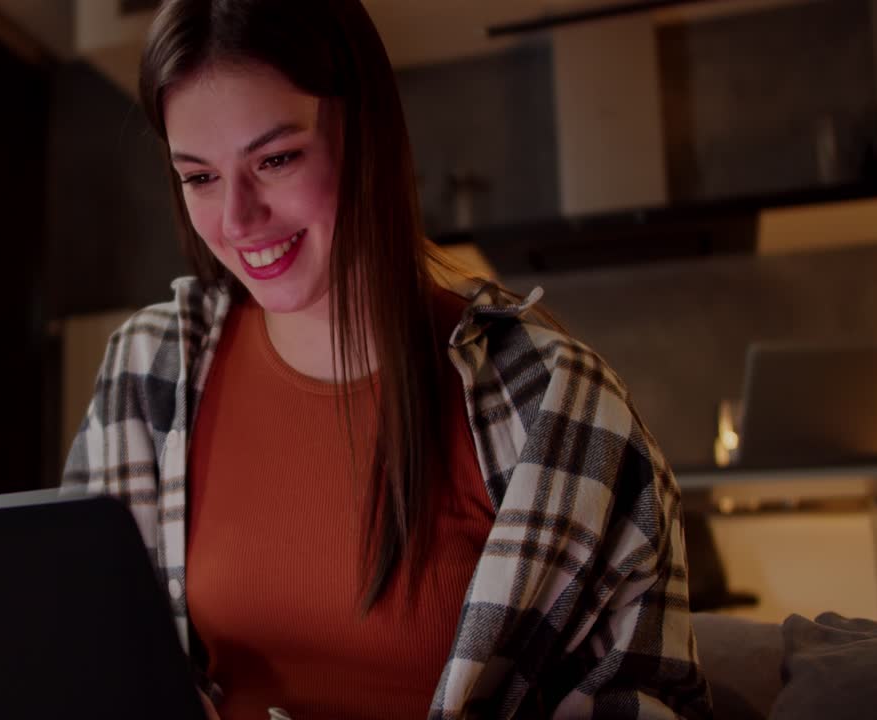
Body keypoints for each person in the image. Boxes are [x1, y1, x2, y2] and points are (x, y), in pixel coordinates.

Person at [62, 1, 712, 718]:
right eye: (199, 177)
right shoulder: (147, 370)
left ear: (367, 136)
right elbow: (84, 649)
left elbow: (644, 702)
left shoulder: (556, 406)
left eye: (276, 159)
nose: (237, 220)